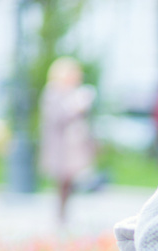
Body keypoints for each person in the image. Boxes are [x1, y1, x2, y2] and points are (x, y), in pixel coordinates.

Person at [39, 56, 97, 224]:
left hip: (75, 146)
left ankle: (65, 215)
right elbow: (56, 119)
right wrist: (76, 108)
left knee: (71, 181)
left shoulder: (76, 92)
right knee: (62, 182)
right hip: (60, 147)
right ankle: (60, 216)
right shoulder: (52, 93)